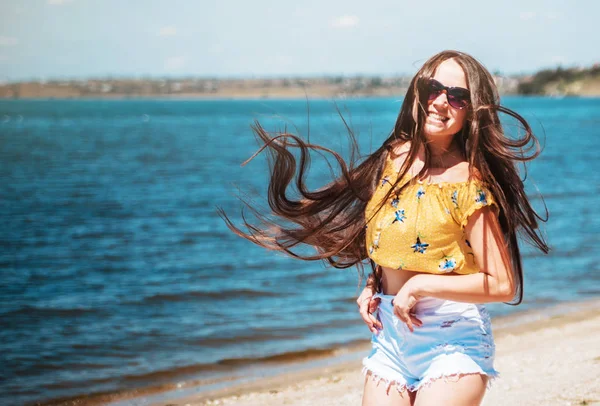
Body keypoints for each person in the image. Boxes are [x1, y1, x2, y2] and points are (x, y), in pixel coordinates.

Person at [220, 50, 548, 406]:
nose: (441, 102)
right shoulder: (393, 158)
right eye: (433, 88)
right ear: (417, 92)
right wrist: (375, 283)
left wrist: (420, 286)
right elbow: (396, 239)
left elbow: (501, 284)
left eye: (458, 97)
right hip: (391, 337)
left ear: (471, 113)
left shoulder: (468, 185)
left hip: (452, 337)